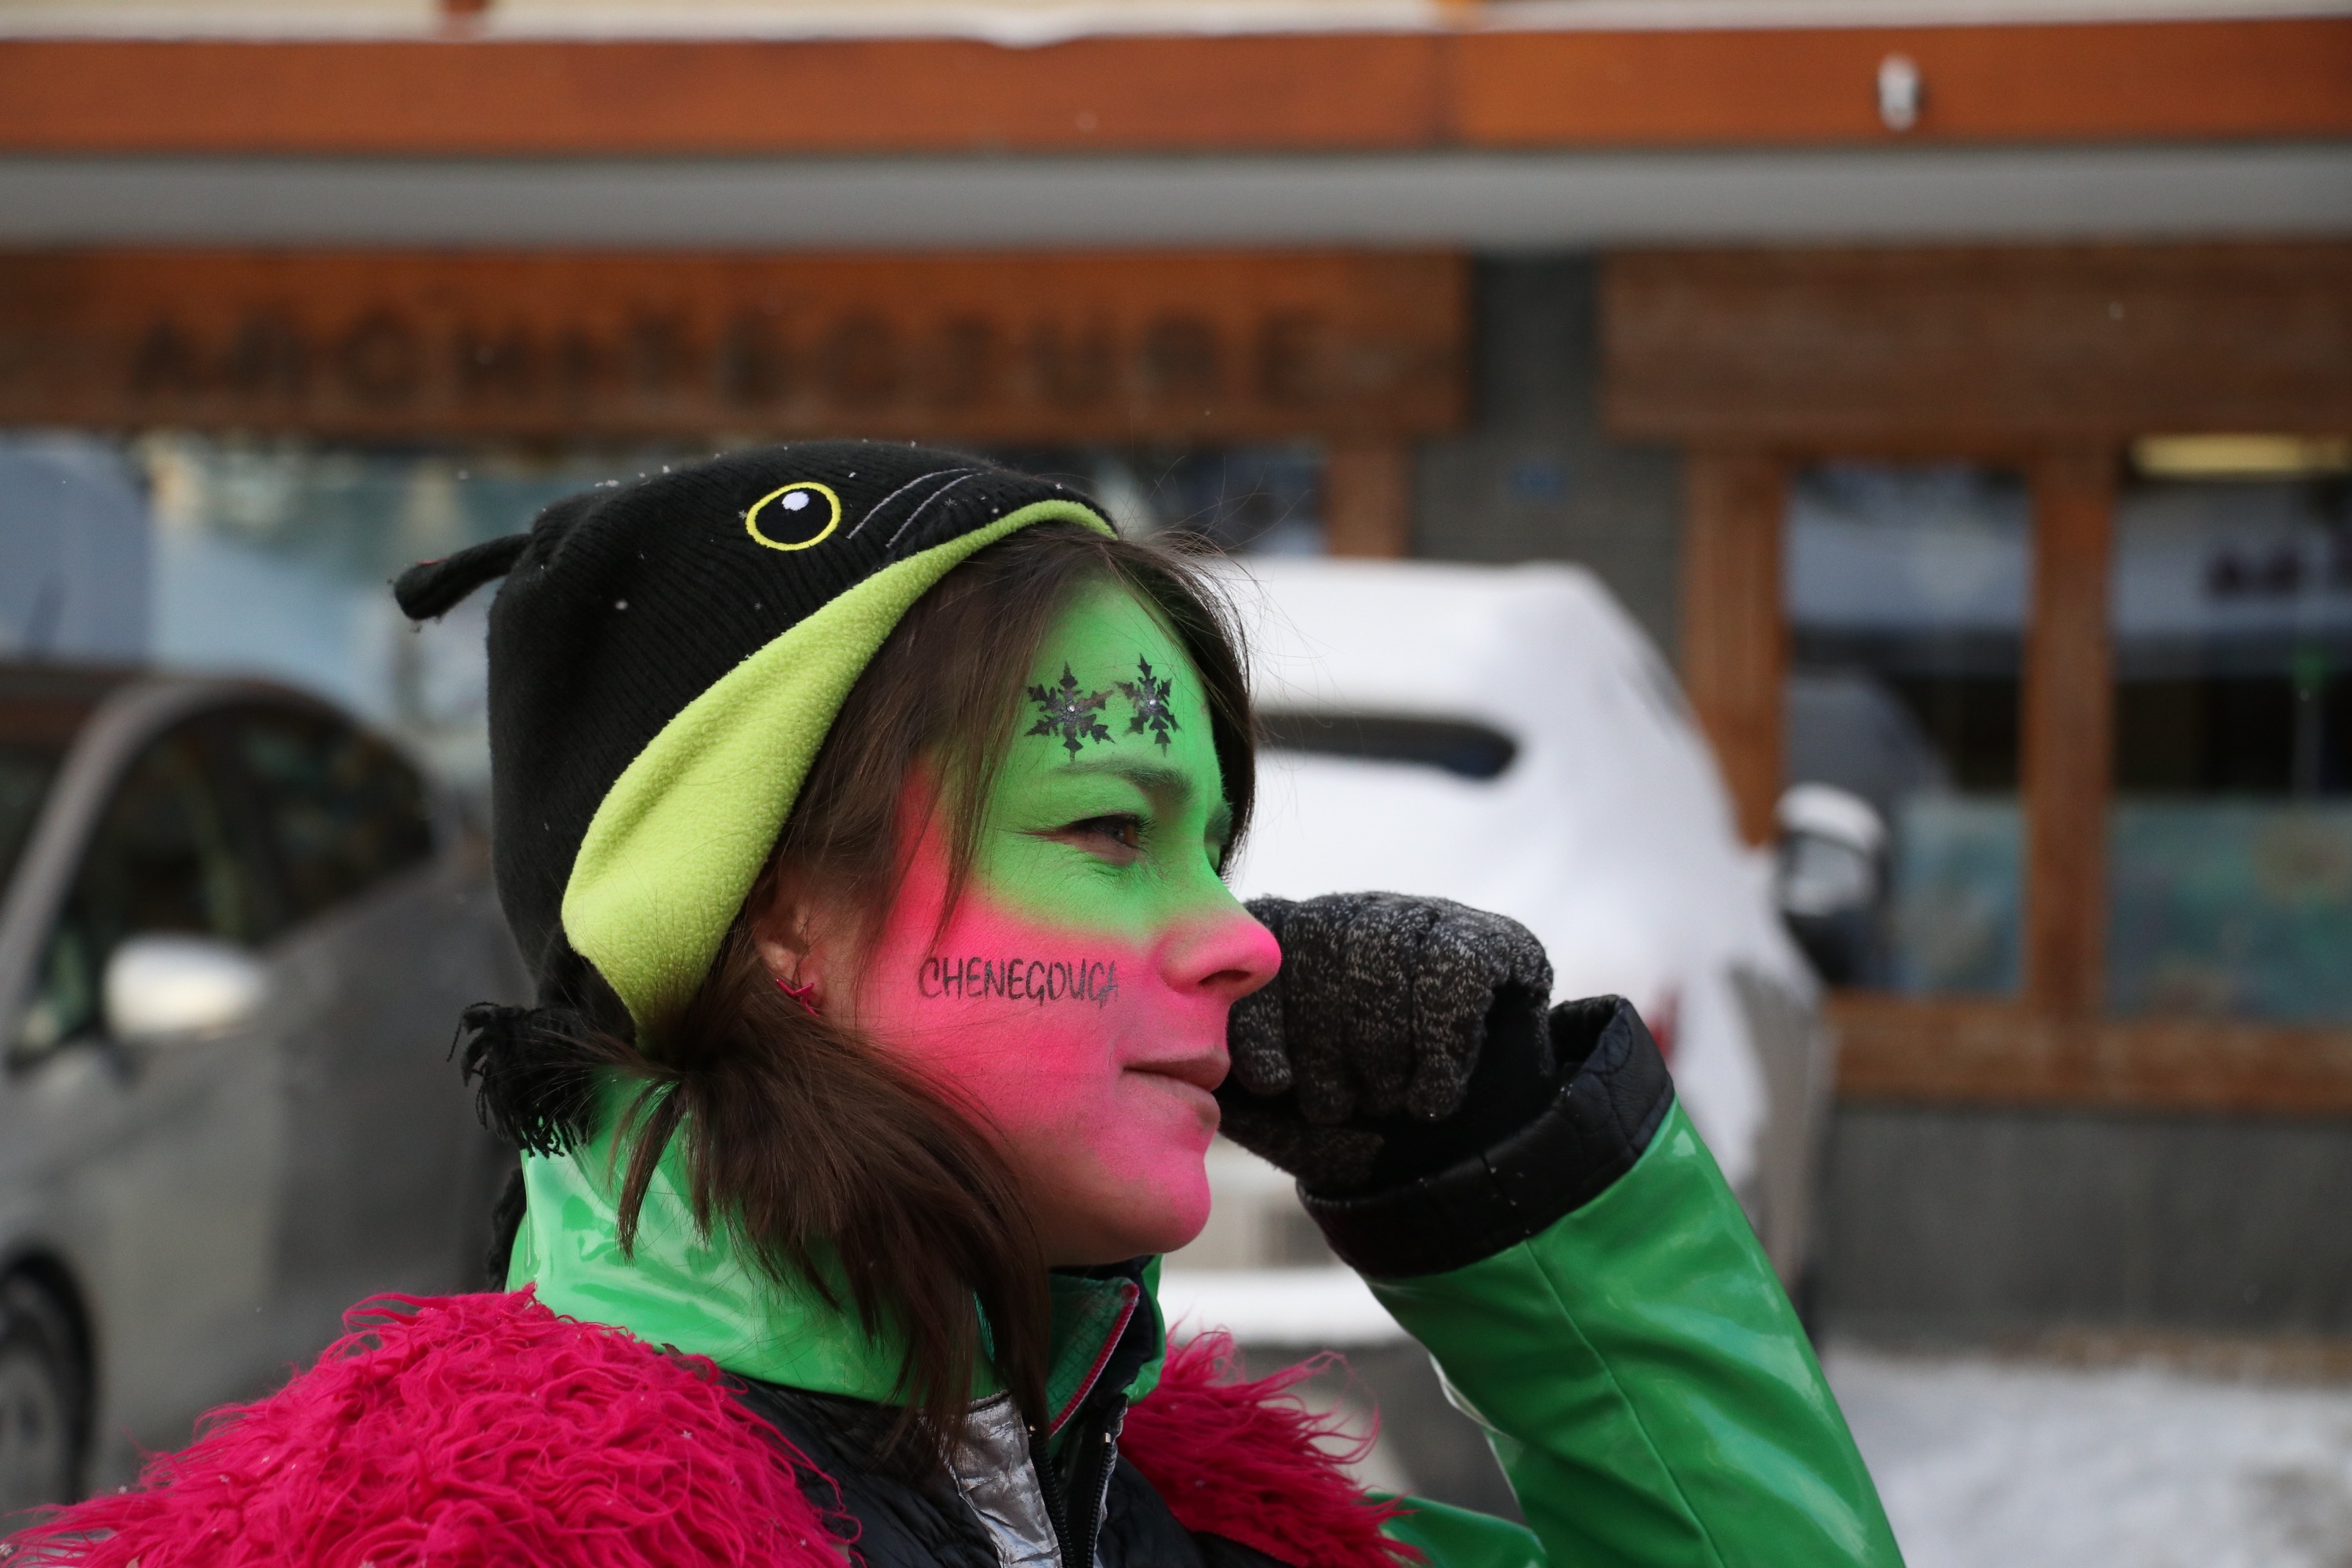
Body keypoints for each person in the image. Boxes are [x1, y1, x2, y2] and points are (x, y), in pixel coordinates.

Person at [5, 443, 1901, 1568]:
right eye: (1107, 831)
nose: (1244, 940)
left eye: (1214, 848)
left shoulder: (1205, 1523)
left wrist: (1512, 1180)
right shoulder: (466, 1537)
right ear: (775, 915)